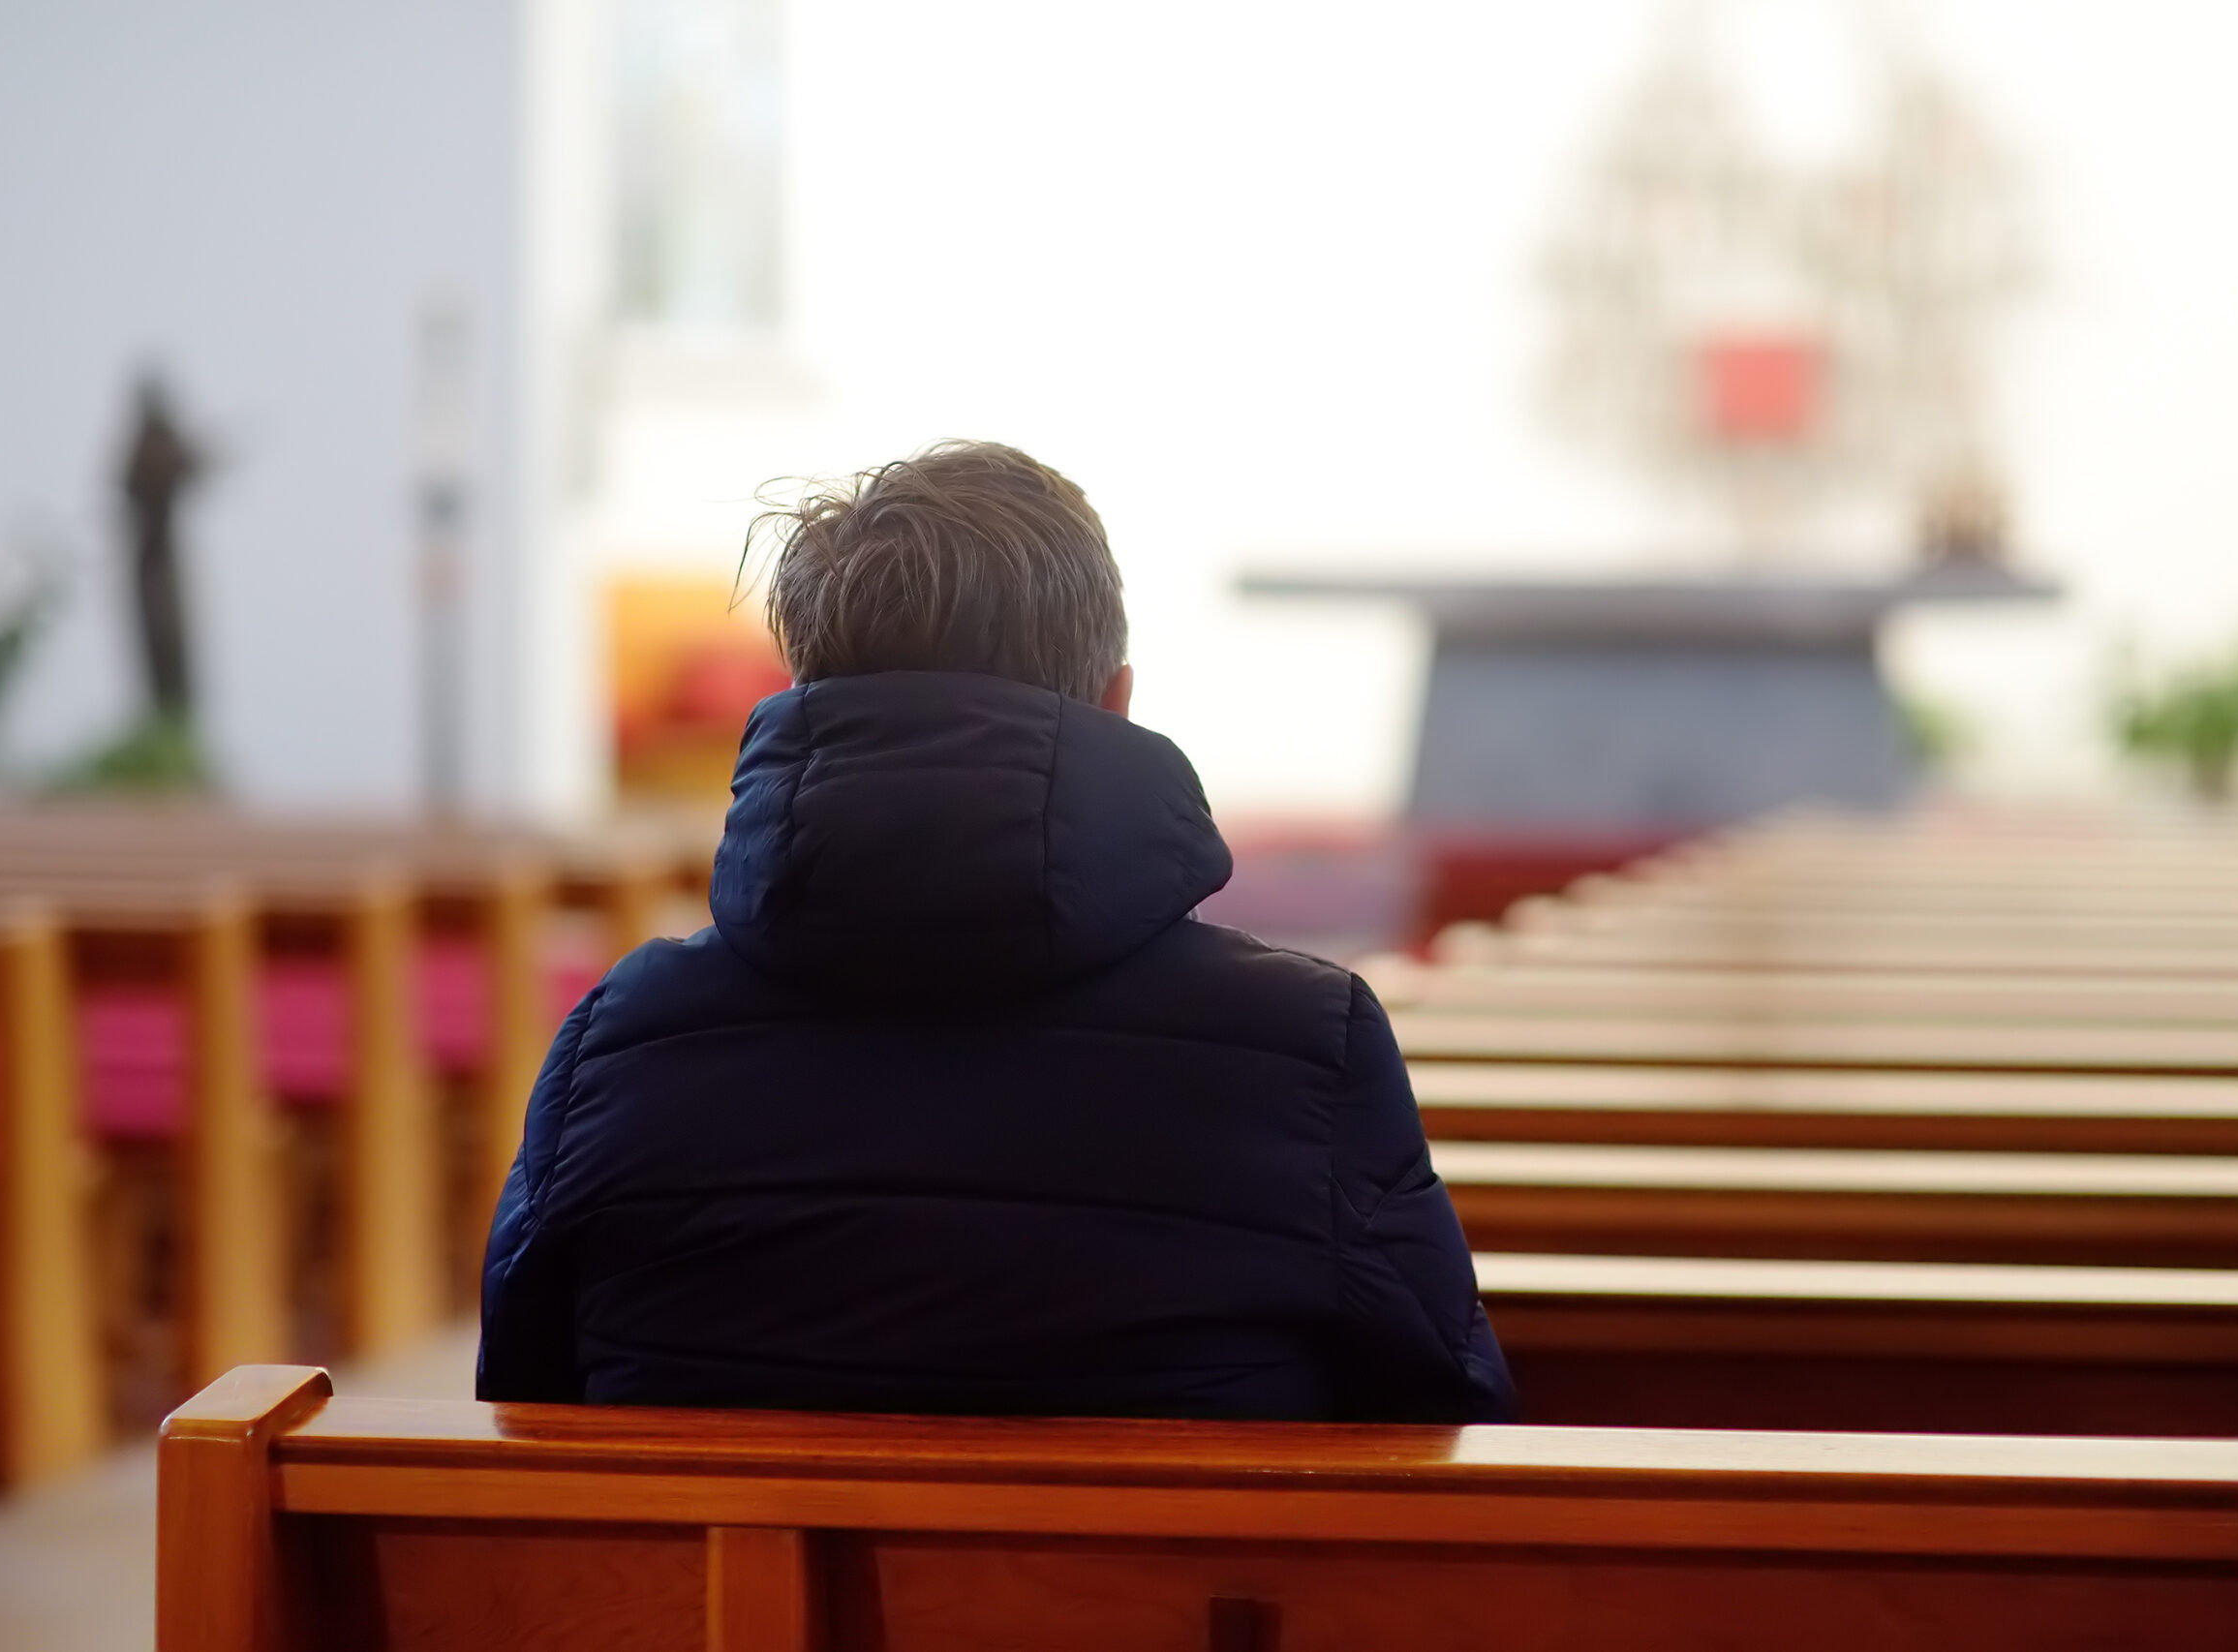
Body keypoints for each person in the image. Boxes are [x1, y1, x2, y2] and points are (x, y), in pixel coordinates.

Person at [477, 441, 1514, 1422]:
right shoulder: (1301, 1047)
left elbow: (522, 1405)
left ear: (801, 699)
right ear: (1116, 702)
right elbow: (1440, 1416)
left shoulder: (626, 1040)